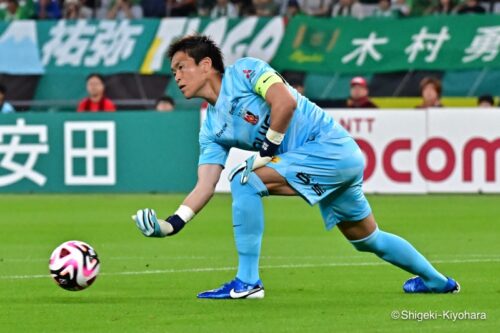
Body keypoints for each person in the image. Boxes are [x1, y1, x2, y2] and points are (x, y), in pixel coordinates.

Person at [132, 35, 459, 299]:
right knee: (367, 239)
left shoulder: (245, 71)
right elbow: (204, 186)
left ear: (206, 65)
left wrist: (267, 150)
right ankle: (436, 281)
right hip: (328, 162)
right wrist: (171, 224)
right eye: (173, 71)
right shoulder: (211, 128)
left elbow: (284, 101)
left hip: (329, 148)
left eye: (180, 67)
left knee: (245, 180)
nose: (175, 76)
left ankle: (247, 283)